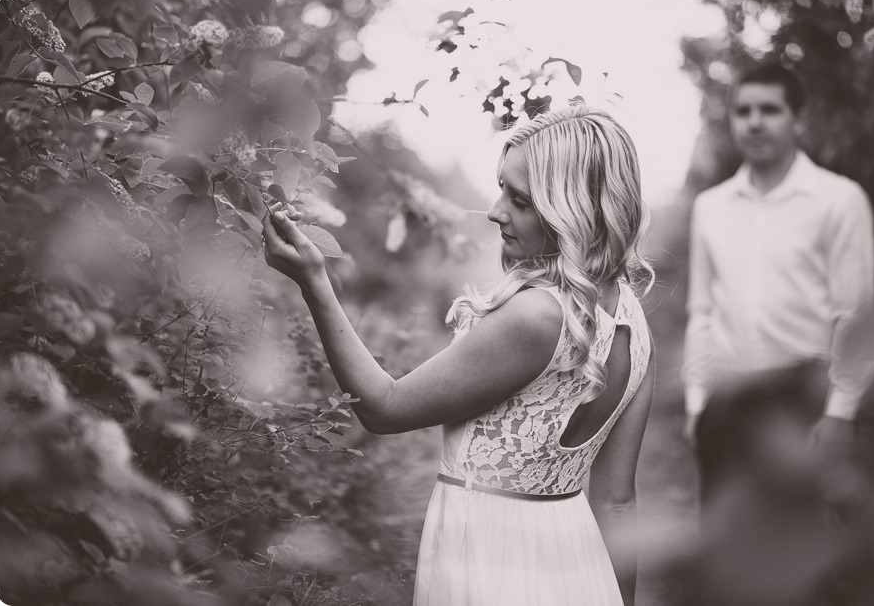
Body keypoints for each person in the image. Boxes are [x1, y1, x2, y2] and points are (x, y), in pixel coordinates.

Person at [262, 105, 656, 606]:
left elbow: (384, 407)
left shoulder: (536, 317)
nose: (495, 211)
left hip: (497, 564)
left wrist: (314, 282)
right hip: (581, 568)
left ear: (571, 209)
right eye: (501, 188)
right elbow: (617, 501)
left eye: (521, 200)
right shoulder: (633, 325)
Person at [682, 64, 874, 505]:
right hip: (727, 404)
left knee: (800, 555)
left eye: (769, 109)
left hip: (805, 406)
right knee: (724, 552)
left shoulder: (840, 200)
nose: (754, 121)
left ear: (798, 118)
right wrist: (697, 403)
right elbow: (702, 313)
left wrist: (840, 413)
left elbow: (855, 316)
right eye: (743, 110)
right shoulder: (710, 208)